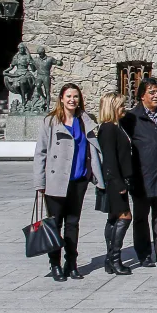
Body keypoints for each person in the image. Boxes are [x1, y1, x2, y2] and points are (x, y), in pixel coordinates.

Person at [33, 84, 103, 281]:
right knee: (55, 224)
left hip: (78, 179)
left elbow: (92, 148)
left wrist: (95, 175)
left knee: (73, 224)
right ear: (61, 99)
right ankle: (55, 264)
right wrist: (40, 182)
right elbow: (40, 153)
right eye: (69, 96)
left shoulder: (85, 120)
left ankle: (71, 263)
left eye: (76, 96)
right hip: (55, 181)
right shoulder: (50, 121)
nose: (72, 100)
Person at [125, 76, 157, 267]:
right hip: (141, 175)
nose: (156, 95)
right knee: (141, 217)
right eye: (152, 92)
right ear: (142, 96)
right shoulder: (131, 118)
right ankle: (144, 253)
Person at [97, 93, 134, 275]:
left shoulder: (116, 127)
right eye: (120, 106)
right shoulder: (108, 129)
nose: (123, 109)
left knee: (113, 218)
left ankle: (109, 260)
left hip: (118, 179)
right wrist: (119, 183)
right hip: (114, 181)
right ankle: (114, 258)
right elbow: (109, 159)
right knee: (125, 217)